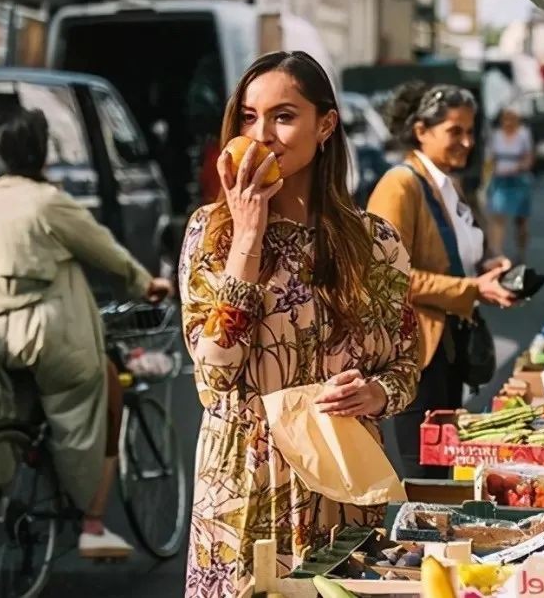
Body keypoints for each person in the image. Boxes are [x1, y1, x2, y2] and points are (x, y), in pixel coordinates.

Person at [178, 51, 419, 594]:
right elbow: (214, 372)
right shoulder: (211, 234)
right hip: (245, 481)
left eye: (283, 116)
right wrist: (247, 238)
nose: (261, 134)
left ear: (326, 124)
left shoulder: (376, 244)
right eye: (248, 117)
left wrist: (376, 394)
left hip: (343, 481)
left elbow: (405, 362)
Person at [0, 109, 171, 558]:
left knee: (23, 409)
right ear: (43, 152)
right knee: (109, 392)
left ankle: (22, 477)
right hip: (49, 335)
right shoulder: (47, 202)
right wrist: (146, 282)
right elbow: (106, 251)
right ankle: (93, 523)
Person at [369, 83, 517, 479]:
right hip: (417, 353)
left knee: (444, 470)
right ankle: (419, 543)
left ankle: (437, 542)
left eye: (471, 132)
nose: (467, 142)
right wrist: (473, 289)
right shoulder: (399, 184)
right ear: (422, 131)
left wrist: (486, 267)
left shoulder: (448, 184)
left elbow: (451, 256)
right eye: (455, 131)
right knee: (425, 475)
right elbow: (387, 277)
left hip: (448, 348)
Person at [485, 106, 534, 262]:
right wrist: (487, 176)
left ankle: (521, 252)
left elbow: (529, 158)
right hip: (500, 179)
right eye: (505, 119)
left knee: (521, 219)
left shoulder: (523, 135)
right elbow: (491, 158)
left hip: (518, 179)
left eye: (511, 119)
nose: (508, 122)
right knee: (498, 216)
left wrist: (519, 167)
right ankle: (497, 253)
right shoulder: (496, 136)